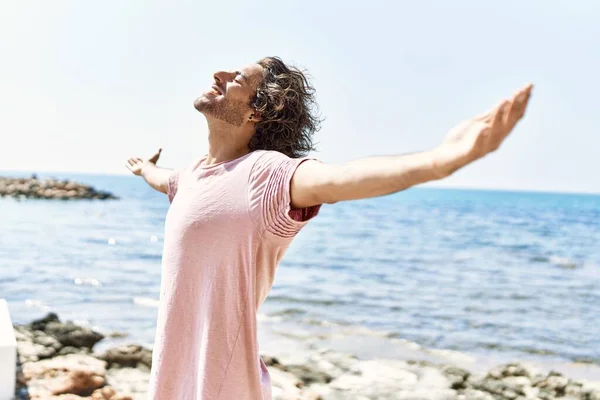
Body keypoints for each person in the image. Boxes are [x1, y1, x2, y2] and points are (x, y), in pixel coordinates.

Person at [126, 56, 532, 400]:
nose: (219, 75)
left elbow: (346, 178)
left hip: (223, 385)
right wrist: (145, 167)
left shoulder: (268, 175)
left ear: (256, 112)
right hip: (171, 381)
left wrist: (443, 160)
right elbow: (165, 180)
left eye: (238, 80)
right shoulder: (193, 174)